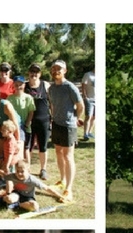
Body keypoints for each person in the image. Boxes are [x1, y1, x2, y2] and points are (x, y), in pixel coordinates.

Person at [48, 59, 84, 200]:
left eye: (59, 68)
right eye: (54, 68)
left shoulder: (70, 87)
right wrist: (53, 118)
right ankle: (62, 181)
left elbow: (80, 105)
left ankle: (69, 189)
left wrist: (75, 118)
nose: (56, 70)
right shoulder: (51, 88)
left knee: (68, 156)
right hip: (56, 124)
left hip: (69, 125)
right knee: (58, 152)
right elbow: (52, 105)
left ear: (65, 71)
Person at [0, 159, 69, 212]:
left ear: (28, 171)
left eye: (22, 171)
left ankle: (17, 205)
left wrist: (60, 196)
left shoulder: (32, 180)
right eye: (17, 171)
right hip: (16, 194)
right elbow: (2, 173)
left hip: (28, 197)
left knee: (35, 207)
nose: (19, 174)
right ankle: (1, 200)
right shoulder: (13, 176)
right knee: (10, 198)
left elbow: (46, 188)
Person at [24, 63, 51, 178]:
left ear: (40, 74)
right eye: (32, 71)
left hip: (43, 120)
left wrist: (52, 119)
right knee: (27, 146)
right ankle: (26, 168)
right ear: (28, 73)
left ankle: (43, 169)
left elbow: (52, 103)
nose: (34, 74)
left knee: (43, 146)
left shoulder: (45, 85)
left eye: (36, 72)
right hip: (29, 121)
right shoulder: (24, 86)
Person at [6, 75, 34, 158]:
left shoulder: (28, 97)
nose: (18, 87)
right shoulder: (9, 98)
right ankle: (15, 168)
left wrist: (27, 123)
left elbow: (31, 112)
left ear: (24, 85)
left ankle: (26, 168)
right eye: (16, 84)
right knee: (14, 147)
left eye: (20, 84)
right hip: (13, 128)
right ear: (13, 85)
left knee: (26, 149)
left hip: (25, 127)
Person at [80, 66, 95, 141]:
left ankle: (89, 132)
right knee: (88, 116)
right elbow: (83, 85)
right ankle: (85, 134)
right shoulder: (88, 75)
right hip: (90, 99)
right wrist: (85, 96)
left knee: (94, 117)